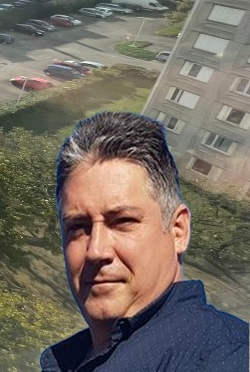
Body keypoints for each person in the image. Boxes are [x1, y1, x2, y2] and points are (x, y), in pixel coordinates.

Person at [40, 111, 248, 371]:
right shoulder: (76, 359)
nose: (96, 250)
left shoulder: (226, 356)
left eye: (123, 221)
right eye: (78, 227)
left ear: (178, 230)